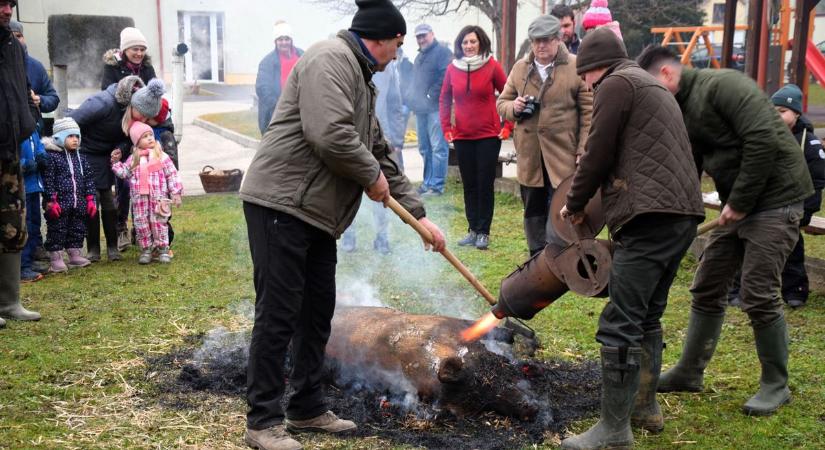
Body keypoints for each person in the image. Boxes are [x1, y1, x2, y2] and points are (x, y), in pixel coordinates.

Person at [238, 0, 447, 448]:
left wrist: (422, 218)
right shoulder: (329, 60)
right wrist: (370, 176)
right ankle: (262, 421)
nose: (397, 53)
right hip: (282, 203)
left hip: (315, 214)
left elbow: (379, 149)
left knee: (316, 314)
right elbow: (331, 134)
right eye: (396, 43)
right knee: (278, 314)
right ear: (379, 38)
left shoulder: (362, 77)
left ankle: (307, 408)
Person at [638, 46, 813, 417]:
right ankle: (689, 371)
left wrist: (742, 201)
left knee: (759, 292)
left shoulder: (725, 86)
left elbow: (763, 138)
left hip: (777, 199)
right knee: (707, 284)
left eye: (653, 86)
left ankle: (775, 384)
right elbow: (689, 164)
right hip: (741, 205)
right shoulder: (682, 109)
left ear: (667, 74)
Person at [558, 28, 705, 449]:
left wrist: (575, 201)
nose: (586, 86)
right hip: (681, 214)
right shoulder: (649, 84)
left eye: (585, 77)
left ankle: (613, 431)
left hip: (649, 217)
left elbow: (598, 149)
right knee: (647, 314)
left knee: (620, 322)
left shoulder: (616, 83)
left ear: (590, 69)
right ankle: (643, 407)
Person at [496, 15, 593, 256]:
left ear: (558, 39)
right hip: (530, 155)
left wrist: (583, 149)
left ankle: (561, 254)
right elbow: (502, 102)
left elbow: (589, 112)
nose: (541, 46)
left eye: (547, 40)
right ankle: (537, 255)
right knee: (533, 208)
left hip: (561, 154)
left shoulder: (575, 66)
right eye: (536, 41)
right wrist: (514, 108)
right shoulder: (520, 69)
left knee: (560, 206)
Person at [67, 76, 158, 262]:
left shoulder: (132, 117)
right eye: (144, 115)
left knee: (108, 199)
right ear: (134, 106)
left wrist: (120, 149)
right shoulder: (102, 103)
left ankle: (112, 247)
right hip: (86, 153)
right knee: (92, 198)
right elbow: (71, 122)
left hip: (107, 156)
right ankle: (93, 248)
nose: (145, 120)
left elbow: (128, 139)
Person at [440, 25, 508, 250]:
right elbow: (444, 99)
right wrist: (446, 127)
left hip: (488, 135)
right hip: (463, 137)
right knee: (469, 184)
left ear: (481, 43)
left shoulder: (491, 65)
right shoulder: (452, 68)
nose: (468, 46)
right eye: (465, 42)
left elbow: (509, 94)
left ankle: (484, 232)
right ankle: (472, 229)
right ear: (460, 46)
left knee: (484, 184)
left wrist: (508, 125)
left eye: (472, 42)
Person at [0, 0, 42, 328]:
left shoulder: (13, 45)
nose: (5, 10)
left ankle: (9, 302)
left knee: (13, 223)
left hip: (9, 148)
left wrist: (29, 120)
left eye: (9, 4)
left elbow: (23, 89)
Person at [111, 122, 182, 265]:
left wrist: (176, 192)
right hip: (140, 200)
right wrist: (115, 162)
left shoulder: (161, 156)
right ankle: (146, 249)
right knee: (141, 223)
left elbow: (172, 174)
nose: (150, 138)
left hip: (158, 200)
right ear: (137, 141)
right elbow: (124, 172)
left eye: (150, 135)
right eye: (145, 137)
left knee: (159, 223)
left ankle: (162, 249)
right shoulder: (134, 158)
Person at [41, 118, 97, 272]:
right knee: (57, 229)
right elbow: (48, 180)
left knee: (77, 227)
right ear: (59, 137)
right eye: (70, 136)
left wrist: (91, 198)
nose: (75, 140)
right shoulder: (52, 157)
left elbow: (88, 178)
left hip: (78, 202)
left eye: (77, 136)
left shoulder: (81, 158)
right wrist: (50, 200)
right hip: (59, 203)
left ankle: (74, 253)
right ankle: (56, 257)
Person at [406, 23, 453, 196]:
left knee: (438, 147)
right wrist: (412, 99)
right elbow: (415, 82)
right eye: (418, 36)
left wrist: (429, 96)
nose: (421, 39)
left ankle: (436, 186)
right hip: (421, 109)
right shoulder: (419, 57)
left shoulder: (443, 53)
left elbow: (445, 78)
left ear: (432, 34)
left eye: (424, 35)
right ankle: (427, 184)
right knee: (424, 148)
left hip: (436, 108)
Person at [255, 21, 304, 135]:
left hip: (300, 113)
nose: (284, 42)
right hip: (276, 116)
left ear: (291, 40)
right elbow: (262, 89)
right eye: (280, 39)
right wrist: (279, 108)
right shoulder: (267, 62)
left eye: (287, 39)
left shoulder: (302, 56)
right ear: (275, 41)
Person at [9, 20, 60, 129]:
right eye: (10, 36)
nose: (15, 40)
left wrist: (39, 99)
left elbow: (53, 98)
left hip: (33, 131)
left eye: (19, 36)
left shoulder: (36, 66)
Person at [19, 128, 48, 281]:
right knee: (23, 226)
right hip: (19, 186)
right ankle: (21, 266)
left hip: (34, 185)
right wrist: (24, 164)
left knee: (34, 224)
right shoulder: (13, 126)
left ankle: (29, 261)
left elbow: (39, 146)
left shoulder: (31, 128)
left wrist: (42, 155)